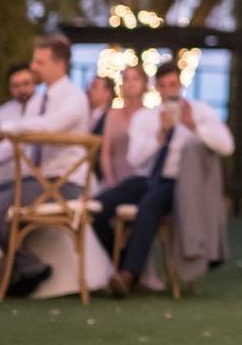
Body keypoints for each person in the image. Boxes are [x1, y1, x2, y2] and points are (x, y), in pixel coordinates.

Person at [92, 61, 234, 296]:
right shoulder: (146, 118)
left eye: (173, 85)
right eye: (164, 86)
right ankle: (124, 262)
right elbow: (136, 160)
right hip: (146, 178)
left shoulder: (199, 112)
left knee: (151, 203)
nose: (170, 90)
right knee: (98, 207)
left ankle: (128, 276)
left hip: (177, 183)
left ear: (180, 85)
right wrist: (160, 136)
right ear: (157, 88)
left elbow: (226, 146)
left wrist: (192, 126)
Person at [0, 34, 90, 296]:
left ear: (58, 64)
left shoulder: (74, 98)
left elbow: (48, 127)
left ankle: (30, 267)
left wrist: (3, 129)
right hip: (37, 181)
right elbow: (23, 143)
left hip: (63, 184)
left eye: (39, 62)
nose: (34, 66)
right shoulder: (41, 100)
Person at [0, 63, 42, 193]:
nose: (22, 90)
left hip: (36, 179)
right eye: (16, 86)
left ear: (35, 83)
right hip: (0, 176)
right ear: (9, 88)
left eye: (26, 84)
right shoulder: (0, 113)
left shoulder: (45, 108)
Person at [100, 66, 147, 188]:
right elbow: (106, 153)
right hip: (116, 180)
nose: (130, 83)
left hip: (143, 181)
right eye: (126, 79)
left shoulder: (151, 116)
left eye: (135, 79)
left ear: (145, 84)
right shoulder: (113, 114)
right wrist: (111, 181)